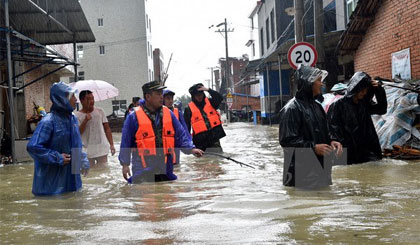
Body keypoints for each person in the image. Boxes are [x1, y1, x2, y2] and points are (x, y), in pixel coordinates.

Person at [119, 81, 204, 183]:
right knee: (145, 197)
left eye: (161, 94)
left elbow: (180, 135)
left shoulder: (169, 114)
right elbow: (125, 142)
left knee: (166, 196)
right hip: (143, 169)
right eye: (158, 94)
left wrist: (191, 149)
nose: (161, 97)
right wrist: (125, 165)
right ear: (148, 97)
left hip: (165, 168)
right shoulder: (133, 117)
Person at [279, 65, 342, 189]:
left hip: (321, 173)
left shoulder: (317, 106)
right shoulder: (291, 109)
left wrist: (332, 141)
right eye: (319, 80)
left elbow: (324, 132)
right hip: (300, 177)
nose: (322, 84)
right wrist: (313, 148)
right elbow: (286, 141)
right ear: (309, 83)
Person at [27, 82, 89, 196]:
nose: (76, 100)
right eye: (72, 96)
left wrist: (82, 159)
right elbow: (33, 147)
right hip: (49, 187)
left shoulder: (73, 120)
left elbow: (76, 144)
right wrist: (56, 157)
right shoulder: (48, 122)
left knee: (74, 207)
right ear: (62, 99)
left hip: (72, 183)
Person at [327, 72, 387, 164]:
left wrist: (379, 91)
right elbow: (333, 131)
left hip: (365, 150)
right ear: (355, 88)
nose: (364, 93)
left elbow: (381, 110)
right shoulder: (338, 105)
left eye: (366, 90)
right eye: (362, 90)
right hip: (348, 152)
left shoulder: (364, 104)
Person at [75, 90, 115, 168]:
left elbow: (107, 129)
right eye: (88, 99)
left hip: (101, 147)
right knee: (90, 172)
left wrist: (112, 144)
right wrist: (85, 120)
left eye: (92, 98)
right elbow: (78, 133)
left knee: (103, 171)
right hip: (87, 148)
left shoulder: (100, 111)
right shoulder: (76, 115)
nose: (91, 101)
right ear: (82, 101)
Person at [184, 83, 226, 152]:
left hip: (214, 139)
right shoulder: (188, 109)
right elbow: (186, 128)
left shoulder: (211, 102)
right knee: (202, 162)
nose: (199, 97)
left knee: (218, 160)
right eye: (197, 95)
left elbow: (220, 98)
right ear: (193, 96)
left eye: (201, 94)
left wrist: (208, 90)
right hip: (200, 143)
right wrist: (189, 145)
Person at [163, 89, 191, 165]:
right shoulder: (158, 113)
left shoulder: (177, 112)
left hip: (175, 145)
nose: (170, 101)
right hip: (162, 146)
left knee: (175, 166)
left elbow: (184, 130)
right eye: (168, 99)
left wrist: (190, 144)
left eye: (171, 98)